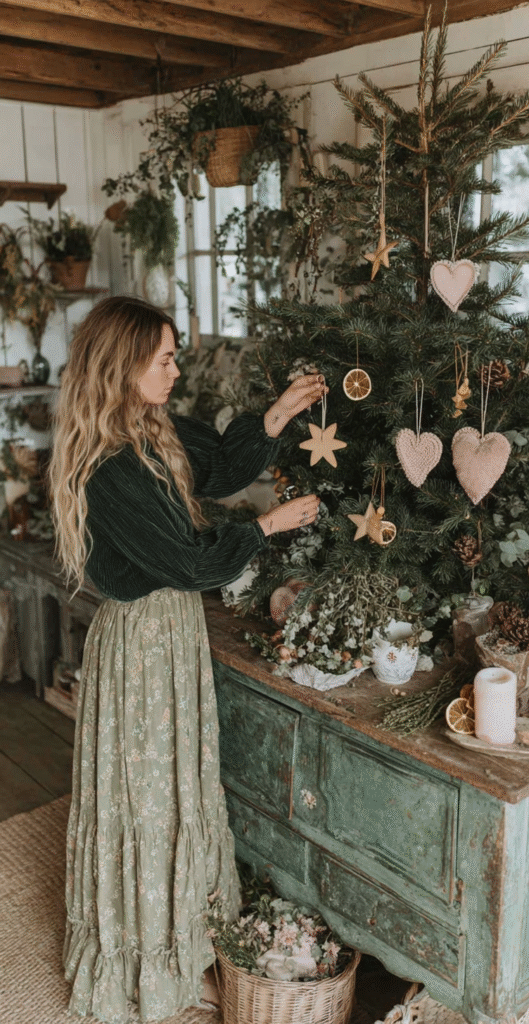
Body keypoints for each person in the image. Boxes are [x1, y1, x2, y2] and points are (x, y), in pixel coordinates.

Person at [49, 295, 323, 1024]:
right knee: (147, 799)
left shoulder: (155, 428)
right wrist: (268, 524)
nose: (176, 370)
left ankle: (182, 945)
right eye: (164, 359)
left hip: (171, 634)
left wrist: (278, 414)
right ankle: (146, 965)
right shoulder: (109, 466)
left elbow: (220, 464)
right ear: (124, 366)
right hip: (141, 642)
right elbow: (190, 560)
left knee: (177, 790)